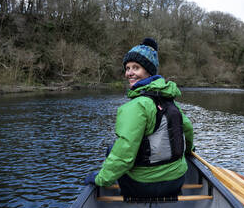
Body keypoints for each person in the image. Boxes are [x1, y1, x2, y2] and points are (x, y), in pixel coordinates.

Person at [83, 37, 195, 198]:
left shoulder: (137, 106)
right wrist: (190, 151)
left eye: (136, 68)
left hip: (144, 186)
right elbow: (188, 129)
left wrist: (101, 179)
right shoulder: (170, 102)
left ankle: (126, 196)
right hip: (177, 181)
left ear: (149, 71)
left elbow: (124, 155)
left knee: (112, 149)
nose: (129, 73)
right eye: (127, 68)